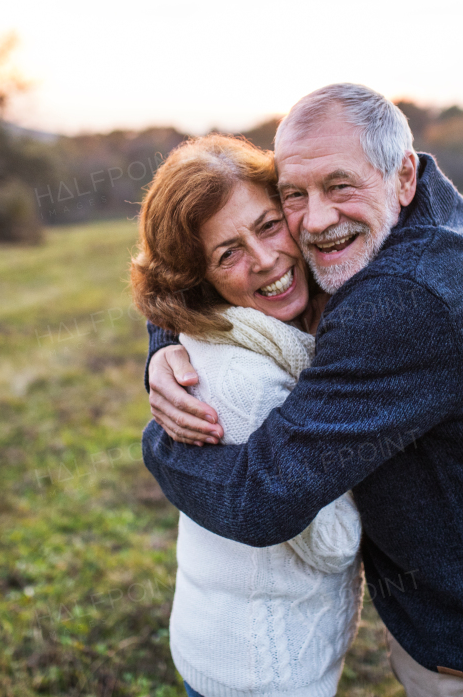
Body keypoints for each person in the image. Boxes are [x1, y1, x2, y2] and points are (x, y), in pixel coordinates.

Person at [142, 84, 463, 696]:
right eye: (295, 196)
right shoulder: (407, 219)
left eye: (340, 186)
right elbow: (195, 240)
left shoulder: (406, 301)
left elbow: (261, 498)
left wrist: (158, 444)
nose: (315, 220)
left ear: (403, 175)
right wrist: (163, 339)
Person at [130, 133, 364, 697]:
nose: (265, 261)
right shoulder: (251, 382)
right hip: (264, 669)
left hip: (223, 642)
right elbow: (333, 542)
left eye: (267, 226)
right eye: (227, 253)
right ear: (197, 275)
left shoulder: (241, 335)